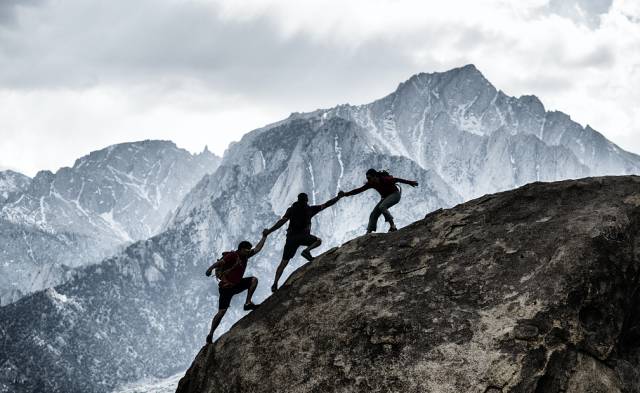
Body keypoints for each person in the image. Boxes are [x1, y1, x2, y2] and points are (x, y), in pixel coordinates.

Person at [264, 192, 342, 292]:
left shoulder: (291, 210)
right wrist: (338, 197)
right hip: (304, 236)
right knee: (318, 241)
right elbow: (327, 204)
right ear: (306, 200)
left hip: (291, 239)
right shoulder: (309, 209)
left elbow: (281, 222)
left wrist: (269, 231)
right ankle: (307, 251)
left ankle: (275, 284)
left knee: (283, 262)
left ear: (298, 199)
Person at [204, 231, 268, 344]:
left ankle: (248, 303)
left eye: (249, 250)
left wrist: (264, 237)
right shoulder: (233, 255)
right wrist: (209, 269)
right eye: (247, 249)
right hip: (226, 288)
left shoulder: (245, 256)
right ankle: (211, 334)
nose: (248, 251)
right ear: (241, 249)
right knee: (221, 312)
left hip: (236, 284)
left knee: (254, 280)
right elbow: (219, 263)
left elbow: (257, 249)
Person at [339, 169, 418, 233]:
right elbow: (358, 190)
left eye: (369, 178)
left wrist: (410, 182)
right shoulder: (371, 183)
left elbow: (397, 179)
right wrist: (345, 194)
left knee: (382, 206)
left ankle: (393, 227)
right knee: (374, 214)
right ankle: (368, 233)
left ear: (375, 176)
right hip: (385, 197)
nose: (368, 180)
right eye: (367, 178)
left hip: (395, 195)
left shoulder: (385, 179)